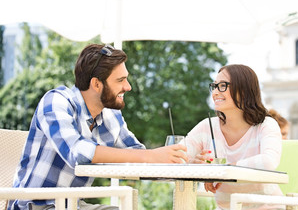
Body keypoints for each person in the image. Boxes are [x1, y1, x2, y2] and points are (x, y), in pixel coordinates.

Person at [8, 44, 187, 210]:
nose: (128, 87)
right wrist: (149, 156)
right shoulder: (56, 101)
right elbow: (77, 152)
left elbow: (139, 156)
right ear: (96, 84)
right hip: (34, 205)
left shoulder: (111, 116)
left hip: (73, 205)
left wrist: (182, 159)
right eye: (120, 80)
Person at [184, 64, 284, 210]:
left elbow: (269, 161)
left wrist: (222, 171)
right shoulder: (207, 127)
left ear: (244, 91)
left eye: (223, 86)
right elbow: (176, 156)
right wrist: (193, 164)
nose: (215, 92)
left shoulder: (266, 125)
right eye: (214, 86)